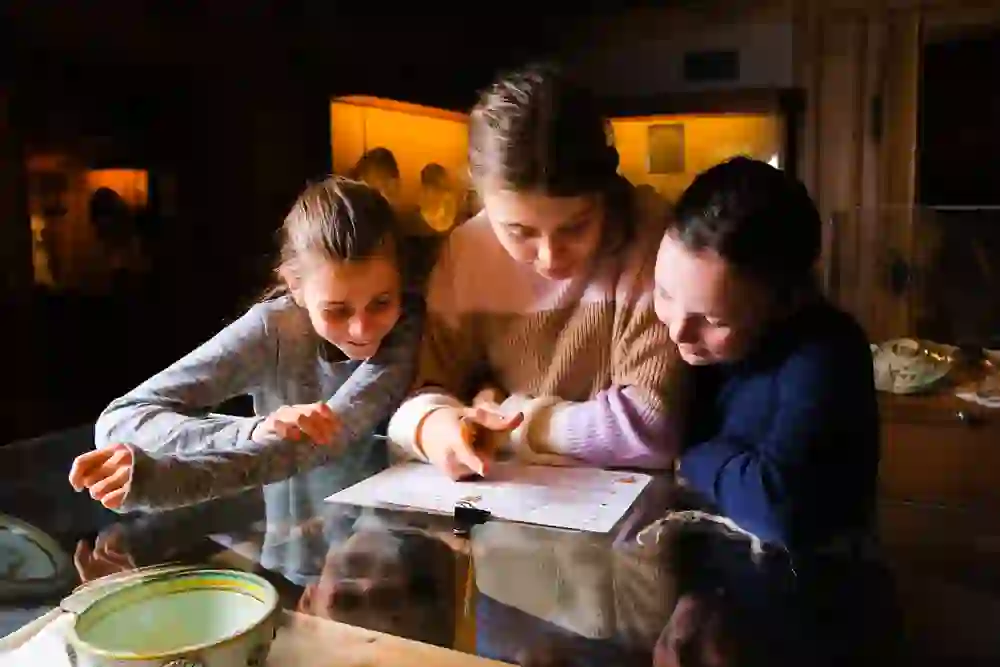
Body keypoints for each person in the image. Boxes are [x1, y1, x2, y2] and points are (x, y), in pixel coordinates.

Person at [649, 157, 895, 665]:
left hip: (811, 613)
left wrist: (693, 455)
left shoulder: (827, 350)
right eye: (664, 294)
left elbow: (779, 503)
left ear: (783, 301)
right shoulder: (699, 346)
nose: (677, 331)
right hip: (712, 582)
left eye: (710, 318)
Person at [387, 63, 685, 478]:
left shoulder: (651, 239)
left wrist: (508, 419)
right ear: (480, 193)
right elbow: (415, 393)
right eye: (519, 231)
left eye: (575, 227)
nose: (550, 256)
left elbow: (651, 427)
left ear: (606, 188)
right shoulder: (466, 250)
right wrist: (439, 427)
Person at [68, 177, 424, 513]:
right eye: (337, 310)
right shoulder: (273, 328)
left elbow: (328, 438)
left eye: (381, 303)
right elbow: (121, 419)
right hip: (292, 548)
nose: (362, 329)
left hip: (387, 542)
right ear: (294, 286)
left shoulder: (406, 327)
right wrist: (252, 429)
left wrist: (165, 481)